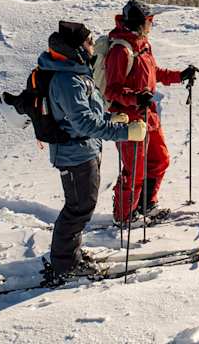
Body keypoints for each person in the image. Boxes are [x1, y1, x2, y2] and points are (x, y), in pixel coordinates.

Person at [40, 20, 147, 282]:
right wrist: (125, 132)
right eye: (89, 42)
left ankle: (69, 256)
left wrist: (113, 120)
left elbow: (90, 115)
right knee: (78, 208)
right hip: (74, 154)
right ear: (77, 46)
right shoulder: (68, 80)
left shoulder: (75, 72)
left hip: (82, 150)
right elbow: (84, 123)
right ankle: (65, 265)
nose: (93, 46)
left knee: (81, 205)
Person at [102, 0, 198, 224]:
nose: (152, 25)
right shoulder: (120, 50)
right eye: (149, 21)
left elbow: (154, 73)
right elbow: (112, 90)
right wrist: (135, 97)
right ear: (139, 23)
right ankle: (124, 216)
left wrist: (180, 75)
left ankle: (146, 204)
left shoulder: (142, 44)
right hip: (130, 120)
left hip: (149, 115)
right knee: (134, 170)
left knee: (160, 160)